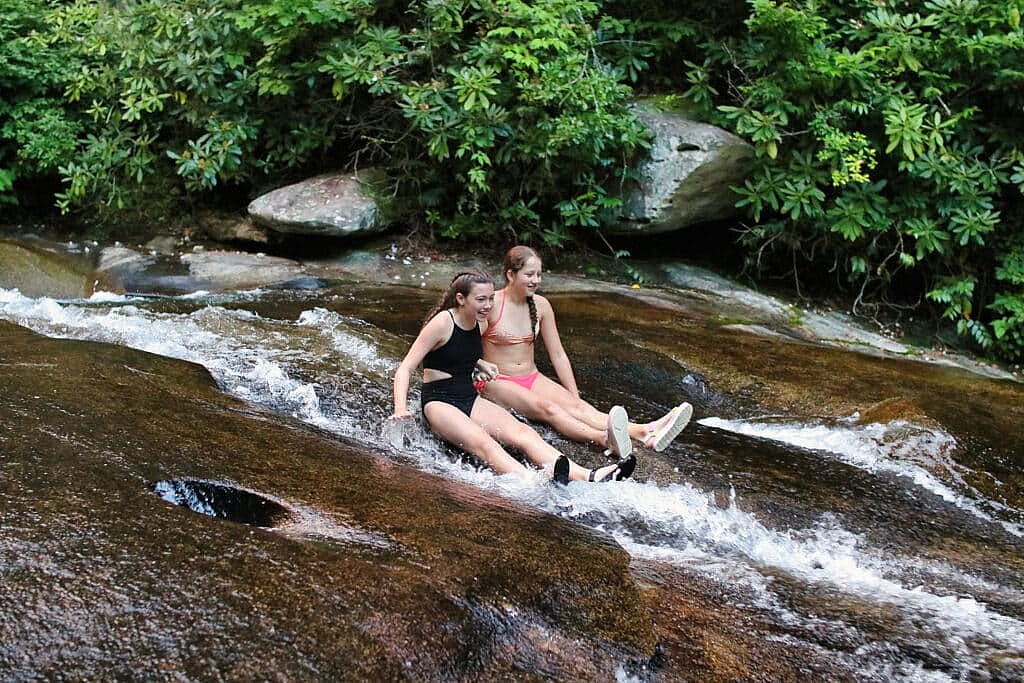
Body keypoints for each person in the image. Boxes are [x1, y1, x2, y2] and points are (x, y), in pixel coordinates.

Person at [391, 269, 636, 484]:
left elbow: (459, 350)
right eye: (481, 300)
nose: (488, 305)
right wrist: (400, 407)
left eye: (490, 298)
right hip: (440, 402)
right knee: (485, 443)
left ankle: (589, 475)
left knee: (524, 433)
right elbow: (406, 368)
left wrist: (480, 363)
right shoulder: (442, 322)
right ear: (460, 299)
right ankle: (533, 482)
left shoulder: (480, 322)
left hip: (468, 396)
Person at [481, 245, 692, 456]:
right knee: (550, 409)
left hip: (532, 376)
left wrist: (574, 396)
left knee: (581, 409)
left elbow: (558, 355)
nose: (535, 280)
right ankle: (603, 439)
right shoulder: (491, 305)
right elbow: (465, 346)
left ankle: (645, 431)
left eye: (539, 274)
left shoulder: (542, 305)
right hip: (498, 380)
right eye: (529, 274)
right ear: (511, 274)